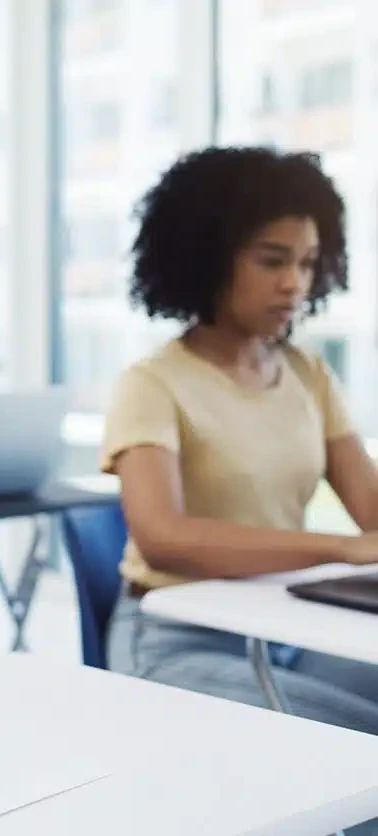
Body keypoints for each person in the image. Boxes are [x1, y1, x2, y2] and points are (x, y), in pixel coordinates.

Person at [104, 147, 378, 750]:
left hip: (287, 627)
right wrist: (340, 547)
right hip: (175, 637)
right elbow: (163, 536)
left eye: (308, 263)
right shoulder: (151, 384)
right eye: (272, 260)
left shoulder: (310, 376)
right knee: (354, 747)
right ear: (207, 258)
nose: (294, 283)